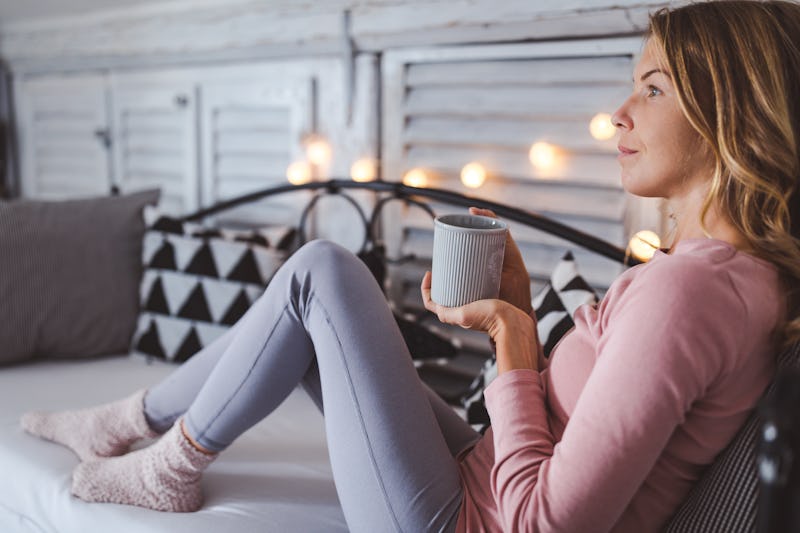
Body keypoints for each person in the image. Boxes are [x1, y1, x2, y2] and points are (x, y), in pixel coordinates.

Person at [20, 1, 800, 531]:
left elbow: (543, 522)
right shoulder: (731, 277)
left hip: (465, 517)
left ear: (729, 110)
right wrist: (521, 311)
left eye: (653, 88)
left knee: (322, 271)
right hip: (479, 467)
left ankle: (166, 458)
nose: (621, 113)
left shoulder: (689, 291)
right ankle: (130, 422)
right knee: (316, 301)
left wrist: (513, 344)